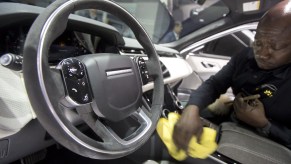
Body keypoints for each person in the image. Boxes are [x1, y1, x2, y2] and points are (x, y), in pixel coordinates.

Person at [173, 0, 291, 151]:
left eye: (275, 47)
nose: (262, 54)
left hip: (269, 146)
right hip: (231, 123)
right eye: (259, 42)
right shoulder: (244, 57)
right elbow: (215, 84)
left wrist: (264, 124)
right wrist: (192, 109)